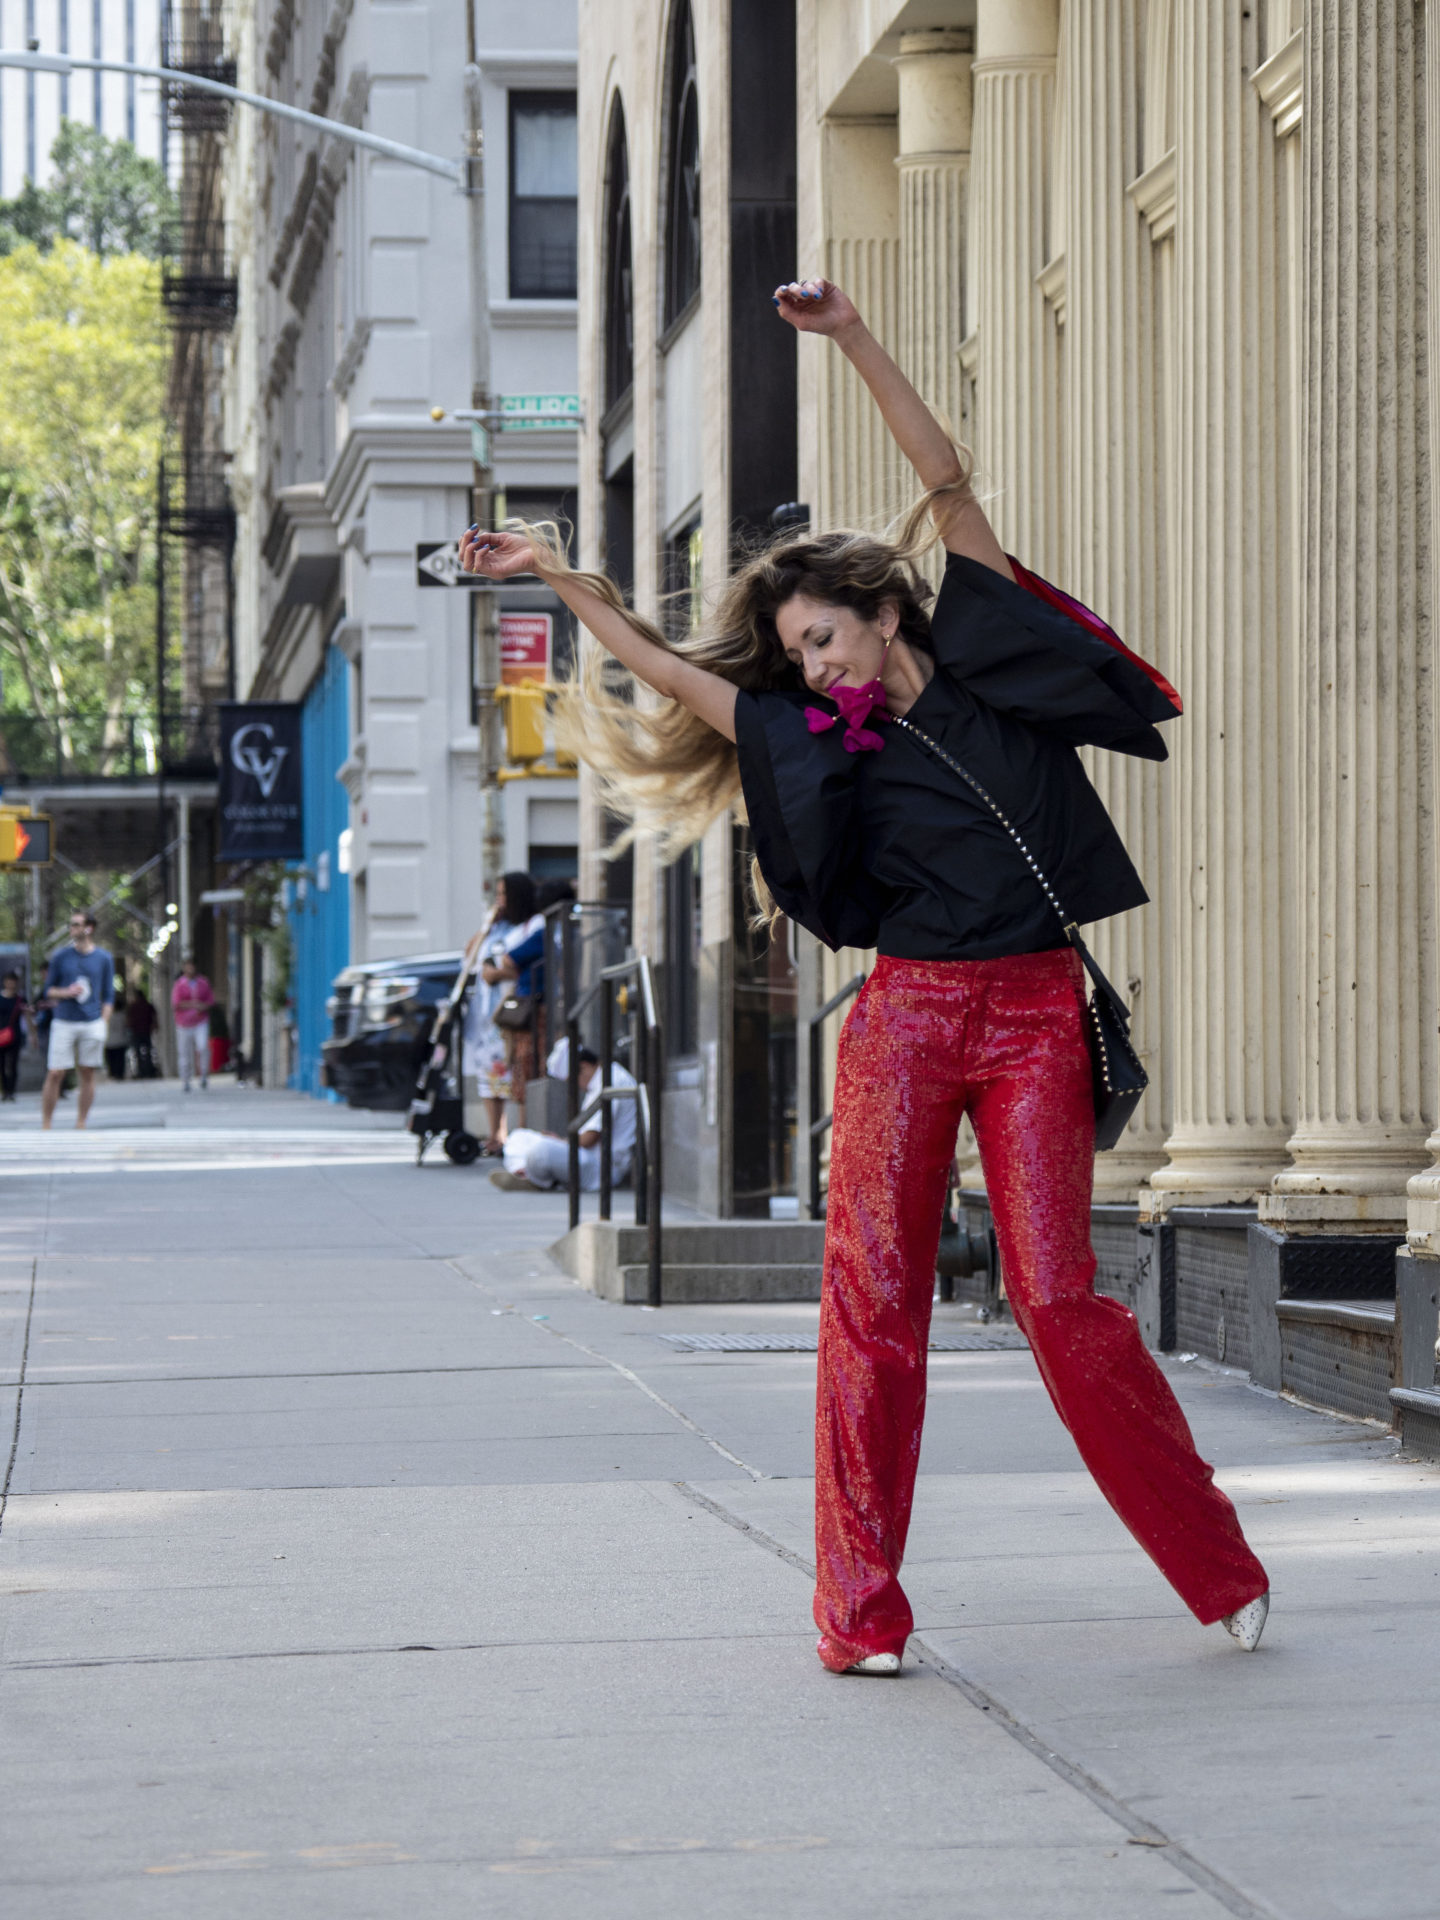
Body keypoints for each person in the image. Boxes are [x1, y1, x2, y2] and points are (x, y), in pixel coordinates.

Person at [458, 274, 1271, 1671]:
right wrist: (554, 578)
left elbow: (946, 477)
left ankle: (1214, 1561)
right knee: (873, 1304)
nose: (808, 666)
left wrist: (849, 342)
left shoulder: (994, 661)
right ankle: (859, 1614)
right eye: (789, 653)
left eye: (822, 637)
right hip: (903, 1022)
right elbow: (654, 660)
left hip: (1030, 1016)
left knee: (1060, 1300)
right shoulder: (805, 737)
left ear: (886, 611)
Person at [491, 1038, 637, 1192]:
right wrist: (560, 1141)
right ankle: (527, 1174)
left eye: (573, 1080)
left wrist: (561, 1142)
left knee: (542, 1151)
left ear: (584, 1066)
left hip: (601, 1167)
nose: (577, 1087)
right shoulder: (603, 1078)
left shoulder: (610, 1081)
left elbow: (590, 1138)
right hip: (588, 1155)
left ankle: (533, 1176)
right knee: (518, 1137)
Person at [461, 871, 534, 1154]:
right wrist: (486, 925)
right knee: (489, 1074)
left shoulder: (526, 927)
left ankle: (519, 1134)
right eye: (498, 894)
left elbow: (521, 964)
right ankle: (495, 1134)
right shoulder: (495, 928)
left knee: (515, 1071)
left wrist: (496, 974)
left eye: (504, 894)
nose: (500, 900)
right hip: (486, 1013)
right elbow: (468, 957)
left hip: (512, 1009)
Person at [41, 910, 115, 1130]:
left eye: (75, 924)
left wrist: (104, 1022)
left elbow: (109, 996)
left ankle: (81, 1122)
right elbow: (48, 991)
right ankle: (47, 1124)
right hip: (64, 1020)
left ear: (88, 928)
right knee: (55, 1072)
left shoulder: (104, 958)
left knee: (87, 1071)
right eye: (70, 924)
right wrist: (66, 992)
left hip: (92, 1022)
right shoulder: (60, 957)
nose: (71, 928)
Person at [171, 957, 216, 1092]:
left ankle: (203, 1075)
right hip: (183, 1023)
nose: (190, 969)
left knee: (202, 1048)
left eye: (192, 966)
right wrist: (193, 1004)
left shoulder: (203, 982)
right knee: (185, 1052)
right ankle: (186, 1079)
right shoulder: (179, 984)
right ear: (184, 968)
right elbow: (176, 1003)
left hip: (200, 1021)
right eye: (188, 966)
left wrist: (202, 1006)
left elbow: (210, 1001)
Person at [0, 970, 27, 1102]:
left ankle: (12, 1091)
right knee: (2, 1065)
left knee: (13, 1064)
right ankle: (5, 1091)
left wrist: (33, 1036)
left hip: (15, 1036)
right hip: (0, 1036)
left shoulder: (20, 999)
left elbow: (27, 1018)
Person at [126, 983, 158, 1079]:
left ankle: (141, 1072)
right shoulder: (147, 1005)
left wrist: (128, 1027)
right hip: (145, 1031)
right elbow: (155, 1017)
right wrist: (155, 1026)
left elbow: (128, 1019)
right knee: (148, 1051)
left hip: (137, 1031)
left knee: (138, 1052)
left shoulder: (133, 1006)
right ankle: (148, 1071)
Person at [104, 973, 131, 1081]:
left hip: (109, 1041)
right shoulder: (123, 1016)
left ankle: (113, 1074)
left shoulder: (108, 1015)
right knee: (120, 1059)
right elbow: (127, 1026)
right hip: (121, 1040)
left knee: (112, 1059)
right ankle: (119, 1074)